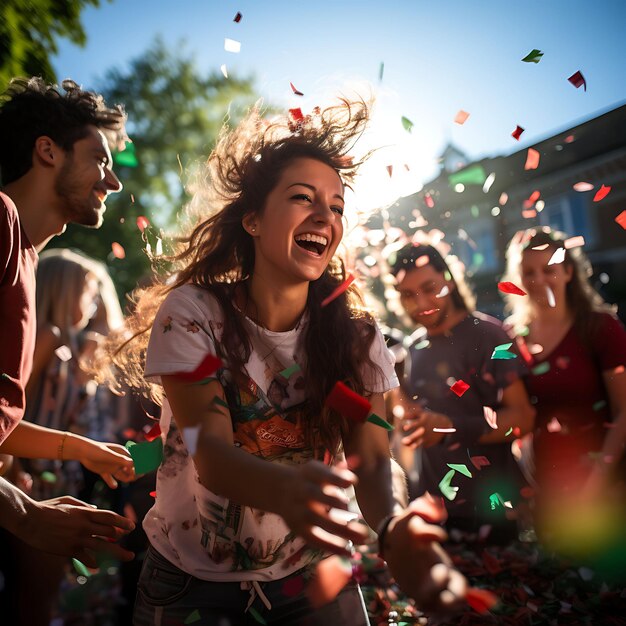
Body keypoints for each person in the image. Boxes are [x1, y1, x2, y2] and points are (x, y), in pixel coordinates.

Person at [101, 100, 467, 625]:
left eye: (337, 206)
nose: (325, 215)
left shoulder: (359, 338)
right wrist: (288, 489)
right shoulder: (193, 313)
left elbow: (372, 459)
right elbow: (212, 455)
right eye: (303, 198)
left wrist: (393, 527)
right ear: (252, 219)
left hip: (314, 578)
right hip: (189, 586)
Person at [0, 77, 136, 619]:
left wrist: (78, 449)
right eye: (100, 159)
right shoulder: (2, 222)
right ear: (47, 150)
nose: (114, 182)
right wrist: (25, 513)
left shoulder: (27, 260)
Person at [387, 239, 535, 542]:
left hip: (494, 511)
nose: (421, 302)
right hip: (433, 513)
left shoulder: (490, 335)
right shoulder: (413, 348)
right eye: (408, 295)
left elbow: (522, 418)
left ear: (450, 281)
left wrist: (450, 427)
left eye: (429, 288)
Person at [502, 227, 626, 546]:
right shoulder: (513, 338)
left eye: (549, 270)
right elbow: (517, 418)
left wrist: (597, 485)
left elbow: (624, 411)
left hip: (605, 487)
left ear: (568, 271)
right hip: (545, 489)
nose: (538, 280)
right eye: (528, 272)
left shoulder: (600, 328)